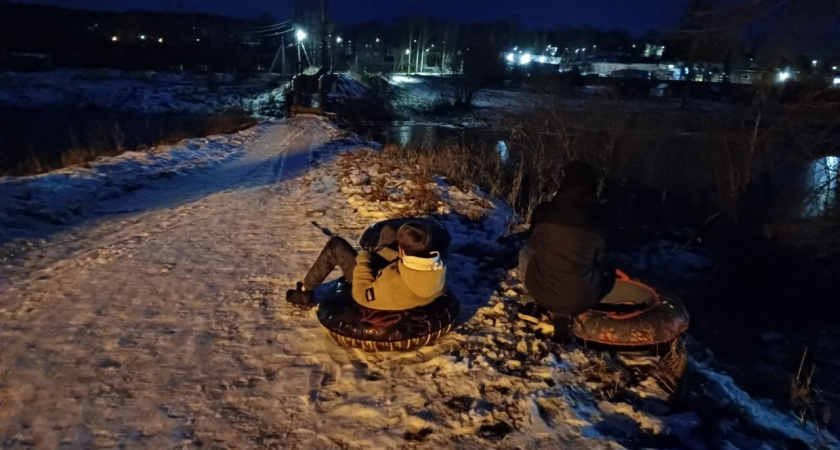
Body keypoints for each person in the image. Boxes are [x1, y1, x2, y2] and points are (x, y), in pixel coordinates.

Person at [519, 161, 615, 342]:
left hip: (541, 294)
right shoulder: (600, 219)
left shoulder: (544, 211)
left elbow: (533, 245)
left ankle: (530, 301)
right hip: (582, 299)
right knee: (600, 265)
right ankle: (568, 311)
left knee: (526, 252)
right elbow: (601, 260)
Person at [286, 221, 447, 311]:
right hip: (403, 273)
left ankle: (305, 293)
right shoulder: (438, 269)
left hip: (375, 279)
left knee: (336, 245)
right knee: (388, 232)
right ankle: (384, 245)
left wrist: (364, 259)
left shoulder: (391, 281)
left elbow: (361, 295)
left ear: (402, 251)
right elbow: (403, 264)